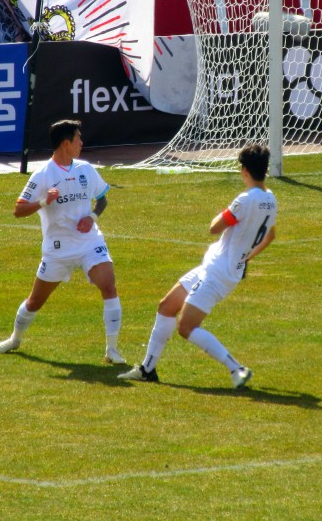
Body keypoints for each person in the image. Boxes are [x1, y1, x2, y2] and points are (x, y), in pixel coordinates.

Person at [118, 144, 277, 388]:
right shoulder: (271, 199)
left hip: (217, 273)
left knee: (186, 327)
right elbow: (270, 236)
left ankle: (237, 368)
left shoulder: (246, 199)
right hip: (216, 267)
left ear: (244, 170)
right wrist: (246, 257)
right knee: (166, 306)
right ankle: (147, 369)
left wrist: (227, 219)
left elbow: (214, 227)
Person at [0, 120, 124, 363]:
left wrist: (92, 216)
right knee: (35, 301)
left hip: (88, 242)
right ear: (66, 144)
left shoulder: (86, 169)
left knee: (109, 285)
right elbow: (18, 210)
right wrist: (43, 202)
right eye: (78, 139)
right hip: (57, 249)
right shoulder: (43, 175)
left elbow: (103, 199)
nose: (82, 143)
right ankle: (15, 339)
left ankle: (112, 350)